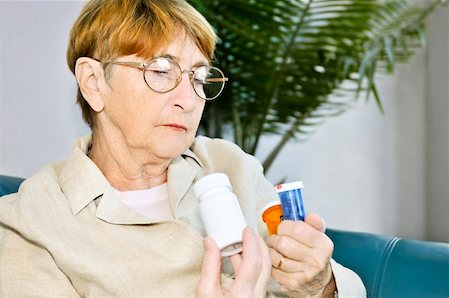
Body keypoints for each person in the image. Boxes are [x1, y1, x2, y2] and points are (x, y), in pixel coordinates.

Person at [0, 0, 365, 297]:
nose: (189, 100)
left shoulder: (230, 165)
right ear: (94, 83)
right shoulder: (28, 223)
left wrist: (321, 284)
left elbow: (337, 286)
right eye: (161, 71)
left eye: (199, 77)